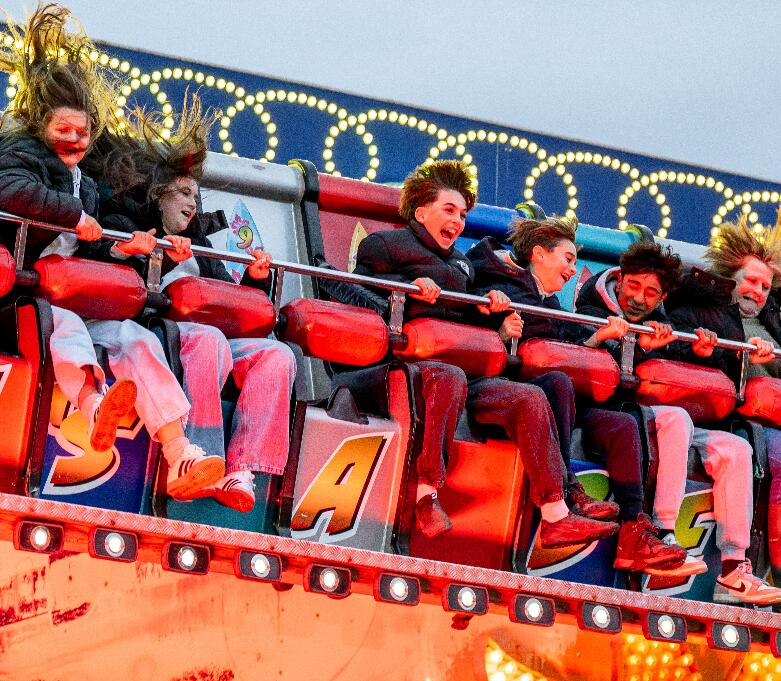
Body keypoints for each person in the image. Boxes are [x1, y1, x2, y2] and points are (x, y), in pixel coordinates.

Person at [0, 4, 224, 499]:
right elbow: (12, 192)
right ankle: (93, 405)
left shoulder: (88, 184)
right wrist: (76, 216)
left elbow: (95, 247)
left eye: (83, 133)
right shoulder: (19, 157)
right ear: (42, 126)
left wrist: (124, 253)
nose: (76, 140)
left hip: (74, 294)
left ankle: (180, 452)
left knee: (134, 338)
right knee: (68, 327)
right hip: (24, 300)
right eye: (65, 131)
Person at [341, 159, 618, 548]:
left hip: (466, 373)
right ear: (421, 212)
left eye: (463, 214)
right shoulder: (384, 244)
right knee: (447, 376)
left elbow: (469, 317)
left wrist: (493, 315)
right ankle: (427, 497)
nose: (457, 220)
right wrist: (404, 286)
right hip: (402, 366)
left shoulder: (461, 263)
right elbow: (360, 291)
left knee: (531, 395)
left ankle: (556, 514)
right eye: (449, 210)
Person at [87, 98, 296, 512]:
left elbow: (224, 293)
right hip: (158, 330)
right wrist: (159, 256)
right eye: (183, 192)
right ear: (159, 194)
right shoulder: (130, 220)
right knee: (210, 340)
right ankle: (195, 461)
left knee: (277, 355)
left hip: (208, 327)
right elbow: (113, 278)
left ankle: (242, 467)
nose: (193, 204)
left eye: (196, 197)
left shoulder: (201, 241)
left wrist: (258, 277)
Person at [467, 216, 695, 575]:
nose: (574, 270)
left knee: (621, 424)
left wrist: (601, 341)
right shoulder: (496, 283)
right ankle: (565, 495)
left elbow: (571, 346)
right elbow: (471, 323)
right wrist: (498, 330)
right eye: (569, 260)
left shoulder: (554, 306)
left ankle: (634, 532)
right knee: (558, 382)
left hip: (562, 400)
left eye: (575, 262)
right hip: (500, 392)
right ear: (539, 255)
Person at [575, 240, 781, 606]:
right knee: (677, 418)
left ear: (661, 297)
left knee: (737, 448)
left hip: (660, 410)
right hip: (621, 411)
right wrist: (634, 344)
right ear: (620, 280)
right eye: (634, 287)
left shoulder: (665, 320)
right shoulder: (591, 305)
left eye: (651, 293)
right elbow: (590, 356)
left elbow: (680, 358)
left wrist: (702, 351)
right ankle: (663, 534)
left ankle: (734, 568)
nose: (639, 298)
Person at [668, 211, 781, 611]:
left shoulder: (773, 319)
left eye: (764, 286)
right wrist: (735, 358)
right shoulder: (705, 311)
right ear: (730, 279)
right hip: (741, 423)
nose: (757, 291)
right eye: (751, 282)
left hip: (778, 417)